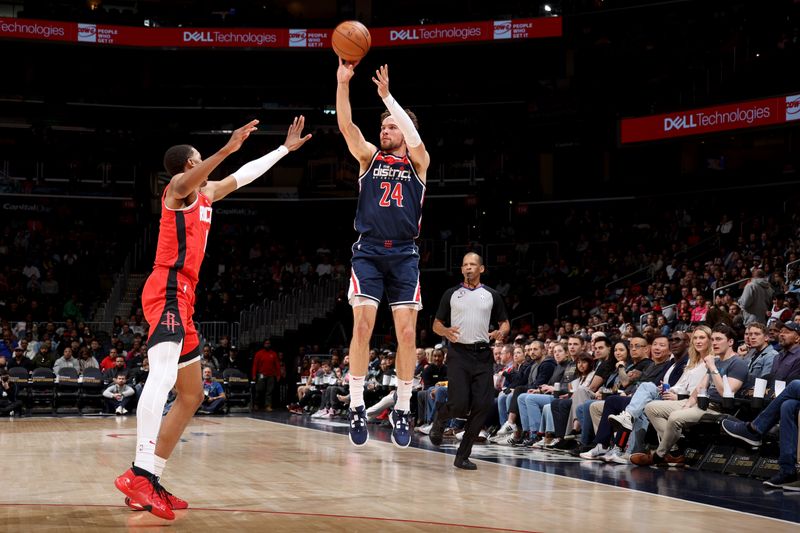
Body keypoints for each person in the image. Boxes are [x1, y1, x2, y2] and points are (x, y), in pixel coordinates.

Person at [114, 117, 311, 520]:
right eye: (200, 160)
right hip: (167, 287)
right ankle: (138, 471)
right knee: (162, 377)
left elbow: (243, 175)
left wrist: (283, 151)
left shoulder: (206, 195)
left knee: (192, 395)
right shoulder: (177, 191)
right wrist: (227, 148)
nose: (207, 166)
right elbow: (203, 175)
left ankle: (150, 479)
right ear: (189, 165)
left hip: (184, 297)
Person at [336, 60, 431, 448]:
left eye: (392, 125)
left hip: (405, 255)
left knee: (407, 334)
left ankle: (403, 408)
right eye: (383, 125)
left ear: (406, 132)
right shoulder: (369, 158)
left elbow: (416, 140)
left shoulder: (419, 163)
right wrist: (343, 83)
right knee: (362, 328)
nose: (385, 130)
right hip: (369, 253)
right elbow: (347, 126)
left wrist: (389, 98)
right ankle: (357, 404)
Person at [429, 253, 510, 470]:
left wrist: (501, 333)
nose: (468, 268)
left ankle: (462, 455)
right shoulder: (451, 294)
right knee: (459, 405)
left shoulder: (492, 295)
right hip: (458, 354)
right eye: (465, 265)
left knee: (483, 405)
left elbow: (505, 323)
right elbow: (436, 324)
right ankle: (441, 416)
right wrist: (445, 331)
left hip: (483, 355)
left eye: (473, 265)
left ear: (481, 269)